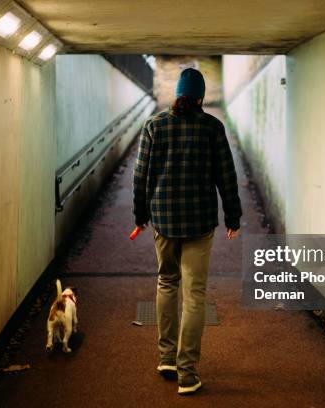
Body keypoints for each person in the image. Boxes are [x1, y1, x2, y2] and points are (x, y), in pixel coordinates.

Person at [132, 68, 242, 395]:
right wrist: (233, 217)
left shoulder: (154, 125)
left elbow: (140, 177)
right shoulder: (212, 127)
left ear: (177, 94)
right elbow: (227, 175)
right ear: (199, 97)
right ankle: (187, 372)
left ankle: (166, 357)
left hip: (164, 222)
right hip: (199, 223)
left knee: (166, 282)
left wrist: (140, 216)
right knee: (194, 295)